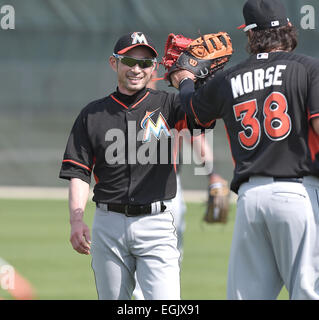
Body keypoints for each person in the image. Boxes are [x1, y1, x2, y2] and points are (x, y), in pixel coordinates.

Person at [170, 0, 319, 299]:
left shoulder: (229, 77)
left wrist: (184, 79)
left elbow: (194, 114)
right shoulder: (309, 69)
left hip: (251, 200)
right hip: (299, 194)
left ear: (251, 35)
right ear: (289, 29)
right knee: (306, 292)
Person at [59, 31, 213, 300]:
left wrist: (193, 81)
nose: (137, 69)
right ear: (113, 62)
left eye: (145, 63)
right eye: (129, 61)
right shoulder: (92, 114)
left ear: (154, 68)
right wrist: (76, 219)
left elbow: (203, 116)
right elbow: (79, 172)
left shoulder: (170, 104)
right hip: (108, 225)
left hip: (156, 224)